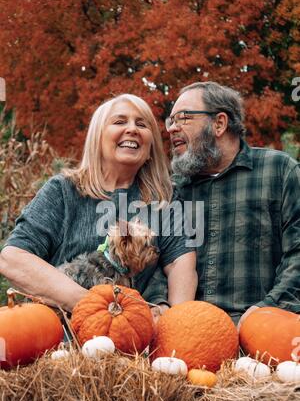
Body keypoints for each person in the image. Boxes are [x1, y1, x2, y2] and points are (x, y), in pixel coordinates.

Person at [0, 94, 197, 316]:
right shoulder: (63, 190)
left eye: (141, 124)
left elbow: (181, 265)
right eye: (120, 122)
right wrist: (92, 306)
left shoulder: (165, 199)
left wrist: (175, 323)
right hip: (61, 331)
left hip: (133, 336)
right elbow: (13, 258)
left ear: (150, 147)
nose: (132, 129)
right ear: (98, 139)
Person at [165, 81, 300, 325]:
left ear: (219, 124)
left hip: (267, 330)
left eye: (183, 118)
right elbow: (158, 263)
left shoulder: (280, 171)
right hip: (190, 332)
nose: (172, 129)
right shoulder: (175, 190)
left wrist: (266, 310)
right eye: (170, 120)